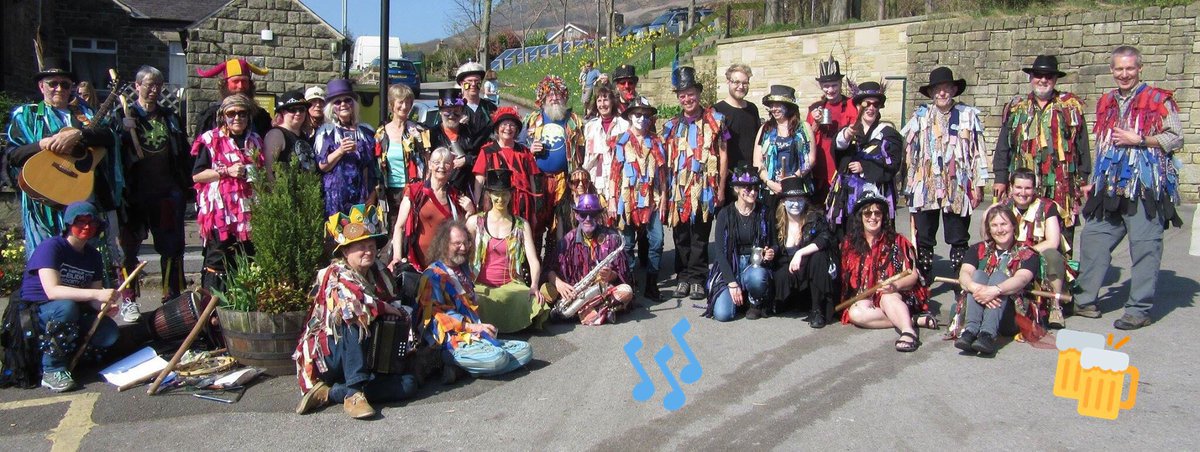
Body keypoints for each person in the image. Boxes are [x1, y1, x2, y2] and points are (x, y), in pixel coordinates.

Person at [1074, 45, 1184, 330]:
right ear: (1112, 70)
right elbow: (1103, 144)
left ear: (1140, 69)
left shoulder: (1159, 100)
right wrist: (1095, 181)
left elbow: (1176, 138)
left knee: (1145, 247)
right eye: (1119, 69)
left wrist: (1141, 140)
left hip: (1145, 188)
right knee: (1093, 238)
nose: (1124, 74)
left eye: (1130, 68)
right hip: (1110, 188)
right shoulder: (1106, 101)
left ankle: (1139, 309)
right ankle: (1084, 299)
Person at [294, 204, 417, 419]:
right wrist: (386, 307)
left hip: (365, 356)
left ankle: (334, 392)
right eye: (361, 246)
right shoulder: (334, 274)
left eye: (371, 244)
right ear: (345, 251)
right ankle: (354, 394)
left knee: (408, 384)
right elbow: (355, 304)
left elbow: (395, 302)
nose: (369, 250)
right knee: (351, 319)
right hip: (331, 356)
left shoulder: (378, 272)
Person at [5, 58, 121, 263]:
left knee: (83, 259)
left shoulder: (85, 113)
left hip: (80, 199)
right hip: (43, 201)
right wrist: (42, 144)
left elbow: (110, 136)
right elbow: (12, 155)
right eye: (53, 83)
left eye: (65, 84)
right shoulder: (27, 116)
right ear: (41, 87)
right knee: (47, 259)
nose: (59, 88)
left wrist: (79, 135)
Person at [115, 65, 191, 320]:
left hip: (167, 193)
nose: (153, 89)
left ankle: (172, 297)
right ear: (137, 86)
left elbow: (182, 152)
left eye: (158, 85)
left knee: (172, 248)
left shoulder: (170, 117)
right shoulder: (123, 114)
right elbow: (108, 149)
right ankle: (128, 300)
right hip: (133, 195)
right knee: (127, 249)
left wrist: (185, 187)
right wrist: (121, 132)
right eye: (148, 84)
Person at [18, 202, 120, 392]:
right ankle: (52, 370)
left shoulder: (93, 256)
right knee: (66, 307)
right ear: (68, 224)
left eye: (91, 222)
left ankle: (74, 357)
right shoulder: (51, 247)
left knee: (108, 331)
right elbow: (53, 291)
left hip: (70, 310)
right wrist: (97, 293)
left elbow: (93, 297)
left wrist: (103, 305)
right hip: (38, 312)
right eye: (80, 222)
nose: (87, 227)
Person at [902, 66, 988, 287]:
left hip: (957, 185)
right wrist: (910, 185)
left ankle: (962, 279)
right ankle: (923, 279)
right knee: (924, 235)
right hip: (926, 185)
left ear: (953, 90)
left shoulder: (968, 116)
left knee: (958, 235)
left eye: (946, 88)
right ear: (931, 93)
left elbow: (978, 152)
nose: (941, 93)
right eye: (937, 89)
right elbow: (911, 154)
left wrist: (978, 184)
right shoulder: (921, 116)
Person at [993, 55, 1090, 247]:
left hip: (1061, 184)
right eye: (1038, 75)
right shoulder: (1016, 108)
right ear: (1031, 78)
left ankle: (1061, 274)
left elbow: (1082, 146)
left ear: (1055, 80)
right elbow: (1003, 146)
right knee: (1022, 228)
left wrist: (1084, 179)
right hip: (1024, 184)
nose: (1043, 80)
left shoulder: (1070, 107)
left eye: (1049, 76)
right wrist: (1000, 177)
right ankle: (1023, 271)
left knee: (1061, 231)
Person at [417, 220, 533, 379]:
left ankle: (463, 369)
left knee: (526, 350)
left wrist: (479, 329)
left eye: (466, 243)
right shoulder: (433, 275)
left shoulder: (463, 271)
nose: (463, 248)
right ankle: (451, 362)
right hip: (452, 343)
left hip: (476, 339)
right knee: (498, 358)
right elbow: (436, 318)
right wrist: (472, 328)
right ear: (444, 245)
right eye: (457, 244)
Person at [662, 66, 729, 301]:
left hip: (705, 189)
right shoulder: (671, 126)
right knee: (681, 235)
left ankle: (698, 279)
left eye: (691, 94)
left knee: (700, 234)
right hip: (679, 190)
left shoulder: (716, 121)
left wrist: (720, 187)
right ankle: (683, 277)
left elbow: (723, 155)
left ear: (698, 94)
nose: (687, 99)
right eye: (682, 95)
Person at [191, 94, 264, 291]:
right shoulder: (210, 139)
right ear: (223, 116)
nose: (237, 118)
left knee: (247, 259)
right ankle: (212, 313)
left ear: (249, 116)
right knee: (218, 260)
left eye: (242, 113)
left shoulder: (255, 141)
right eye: (231, 114)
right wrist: (226, 171)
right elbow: (197, 176)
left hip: (248, 213)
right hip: (220, 215)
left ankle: (241, 309)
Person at [840, 191, 930, 352]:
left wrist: (894, 285)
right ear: (860, 217)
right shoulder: (850, 244)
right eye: (867, 212)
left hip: (899, 295)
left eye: (877, 213)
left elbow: (912, 275)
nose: (872, 217)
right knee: (855, 314)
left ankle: (908, 332)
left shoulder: (897, 241)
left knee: (887, 297)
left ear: (883, 216)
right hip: (867, 299)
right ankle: (912, 320)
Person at [465, 169, 549, 333]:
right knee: (471, 300)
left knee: (536, 302)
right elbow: (461, 257)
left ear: (511, 195)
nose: (500, 199)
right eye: (496, 194)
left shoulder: (521, 225)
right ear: (489, 194)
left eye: (504, 194)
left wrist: (534, 286)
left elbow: (533, 260)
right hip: (480, 287)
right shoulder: (474, 222)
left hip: (511, 286)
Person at [953, 206, 1040, 356]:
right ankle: (970, 331)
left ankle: (987, 335)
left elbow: (1021, 279)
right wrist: (975, 287)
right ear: (989, 229)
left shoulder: (1027, 253)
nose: (999, 230)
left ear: (1013, 225)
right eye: (994, 225)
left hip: (1011, 315)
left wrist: (995, 290)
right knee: (978, 275)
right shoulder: (977, 249)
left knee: (999, 277)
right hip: (978, 303)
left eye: (1004, 224)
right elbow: (964, 273)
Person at [609, 98, 667, 302]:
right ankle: (630, 283)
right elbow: (614, 173)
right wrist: (612, 200)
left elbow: (662, 174)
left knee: (657, 240)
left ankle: (652, 283)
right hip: (627, 201)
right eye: (637, 114)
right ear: (630, 117)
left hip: (651, 200)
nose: (642, 119)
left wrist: (664, 198)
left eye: (646, 115)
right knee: (627, 244)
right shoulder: (620, 141)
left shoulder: (656, 141)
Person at [544, 193, 633, 325]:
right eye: (583, 214)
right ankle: (598, 312)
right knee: (545, 290)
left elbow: (623, 274)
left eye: (592, 214)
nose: (588, 219)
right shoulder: (568, 240)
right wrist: (558, 283)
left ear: (598, 216)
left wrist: (611, 275)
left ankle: (582, 312)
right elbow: (548, 268)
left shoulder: (612, 238)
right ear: (576, 216)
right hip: (574, 293)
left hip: (601, 292)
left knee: (626, 291)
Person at [826, 81, 902, 233]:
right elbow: (839, 153)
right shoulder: (850, 131)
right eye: (866, 104)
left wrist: (864, 168)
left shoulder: (888, 133)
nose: (871, 108)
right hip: (849, 197)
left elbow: (893, 164)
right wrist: (847, 134)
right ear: (858, 106)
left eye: (875, 104)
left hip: (877, 195)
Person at [705, 166, 774, 321]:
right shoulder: (725, 214)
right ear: (737, 189)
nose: (753, 192)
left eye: (756, 188)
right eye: (748, 188)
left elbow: (774, 244)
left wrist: (771, 252)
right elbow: (720, 253)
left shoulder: (764, 212)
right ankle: (737, 298)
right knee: (722, 315)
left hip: (753, 266)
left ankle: (754, 301)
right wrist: (731, 283)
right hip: (730, 267)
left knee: (758, 276)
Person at [389, 147, 475, 271]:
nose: (441, 166)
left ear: (451, 167)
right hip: (417, 264)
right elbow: (399, 227)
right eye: (436, 162)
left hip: (446, 266)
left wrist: (471, 211)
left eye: (446, 163)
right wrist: (397, 257)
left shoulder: (455, 196)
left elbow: (463, 231)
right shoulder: (414, 192)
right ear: (429, 164)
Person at [1004, 168, 1069, 328]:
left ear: (1034, 189)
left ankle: (1055, 306)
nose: (1023, 192)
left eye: (1028, 188)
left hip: (1037, 255)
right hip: (1011, 254)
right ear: (1011, 188)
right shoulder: (1004, 206)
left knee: (1053, 256)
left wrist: (1027, 252)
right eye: (1018, 187)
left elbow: (1052, 241)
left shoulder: (1047, 207)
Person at [525, 75, 585, 245]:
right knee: (536, 223)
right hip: (538, 180)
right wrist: (530, 150)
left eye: (558, 93)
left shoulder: (573, 121)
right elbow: (520, 147)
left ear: (564, 96)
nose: (554, 98)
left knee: (561, 224)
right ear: (542, 99)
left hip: (563, 181)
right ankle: (534, 266)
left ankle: (555, 264)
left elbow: (581, 151)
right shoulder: (532, 120)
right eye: (549, 95)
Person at [775, 177, 837, 328]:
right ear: (783, 202)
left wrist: (800, 253)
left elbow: (826, 238)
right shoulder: (776, 222)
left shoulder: (815, 217)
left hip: (812, 271)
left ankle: (817, 310)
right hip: (791, 273)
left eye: (799, 199)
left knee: (818, 256)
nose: (795, 204)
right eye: (791, 199)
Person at [473, 107, 543, 240]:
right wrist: (478, 206)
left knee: (521, 240)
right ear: (497, 128)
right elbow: (479, 182)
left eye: (512, 125)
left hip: (522, 205)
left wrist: (533, 211)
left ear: (517, 130)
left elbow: (532, 181)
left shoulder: (524, 151)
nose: (508, 128)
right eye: (504, 124)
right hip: (496, 203)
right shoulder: (486, 151)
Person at [314, 79, 377, 217]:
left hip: (362, 196)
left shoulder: (366, 132)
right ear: (332, 108)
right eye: (337, 102)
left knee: (363, 236)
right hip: (335, 199)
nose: (343, 104)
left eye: (347, 100)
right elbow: (322, 166)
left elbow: (374, 168)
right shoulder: (326, 132)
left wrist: (373, 193)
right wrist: (340, 151)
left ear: (353, 104)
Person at [375, 83, 430, 228]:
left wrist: (426, 186)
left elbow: (428, 160)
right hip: (389, 193)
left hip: (414, 190)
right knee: (392, 232)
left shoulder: (418, 131)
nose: (405, 106)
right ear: (392, 104)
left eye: (408, 102)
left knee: (413, 231)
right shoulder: (381, 133)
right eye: (401, 102)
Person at [806, 56, 858, 203]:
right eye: (826, 86)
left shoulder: (850, 105)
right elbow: (807, 139)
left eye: (834, 85)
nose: (830, 90)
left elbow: (857, 133)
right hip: (820, 171)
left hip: (843, 168)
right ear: (821, 86)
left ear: (840, 84)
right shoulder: (815, 108)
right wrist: (815, 123)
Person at [753, 85, 816, 206]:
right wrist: (770, 183)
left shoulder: (803, 127)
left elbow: (811, 159)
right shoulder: (765, 129)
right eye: (771, 105)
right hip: (771, 190)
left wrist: (792, 179)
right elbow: (757, 161)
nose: (774, 109)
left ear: (789, 106)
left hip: (797, 187)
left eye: (778, 105)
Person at [713, 64, 761, 204]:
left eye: (745, 83)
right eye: (736, 82)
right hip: (728, 179)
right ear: (728, 81)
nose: (741, 86)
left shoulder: (752, 109)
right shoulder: (717, 111)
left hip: (751, 177)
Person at [194, 58, 272, 136]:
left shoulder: (261, 117)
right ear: (225, 84)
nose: (240, 86)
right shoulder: (210, 117)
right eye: (235, 81)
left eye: (244, 81)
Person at [581, 83, 628, 202]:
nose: (602, 104)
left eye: (605, 100)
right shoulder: (590, 127)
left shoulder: (624, 125)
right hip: (595, 180)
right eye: (599, 100)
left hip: (618, 178)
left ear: (612, 102)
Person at [429, 88, 477, 195]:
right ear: (440, 111)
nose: (452, 115)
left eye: (456, 111)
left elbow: (481, 157)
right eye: (447, 112)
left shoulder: (470, 132)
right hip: (438, 191)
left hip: (465, 192)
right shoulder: (432, 134)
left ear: (462, 111)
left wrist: (467, 160)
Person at [263, 89, 317, 174]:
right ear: (282, 112)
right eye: (292, 109)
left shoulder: (303, 135)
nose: (298, 113)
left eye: (302, 109)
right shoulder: (276, 134)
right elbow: (268, 170)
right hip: (283, 186)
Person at [454, 62, 498, 161]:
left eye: (477, 81)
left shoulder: (490, 107)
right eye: (469, 81)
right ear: (461, 84)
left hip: (488, 161)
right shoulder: (454, 109)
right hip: (463, 165)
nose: (473, 84)